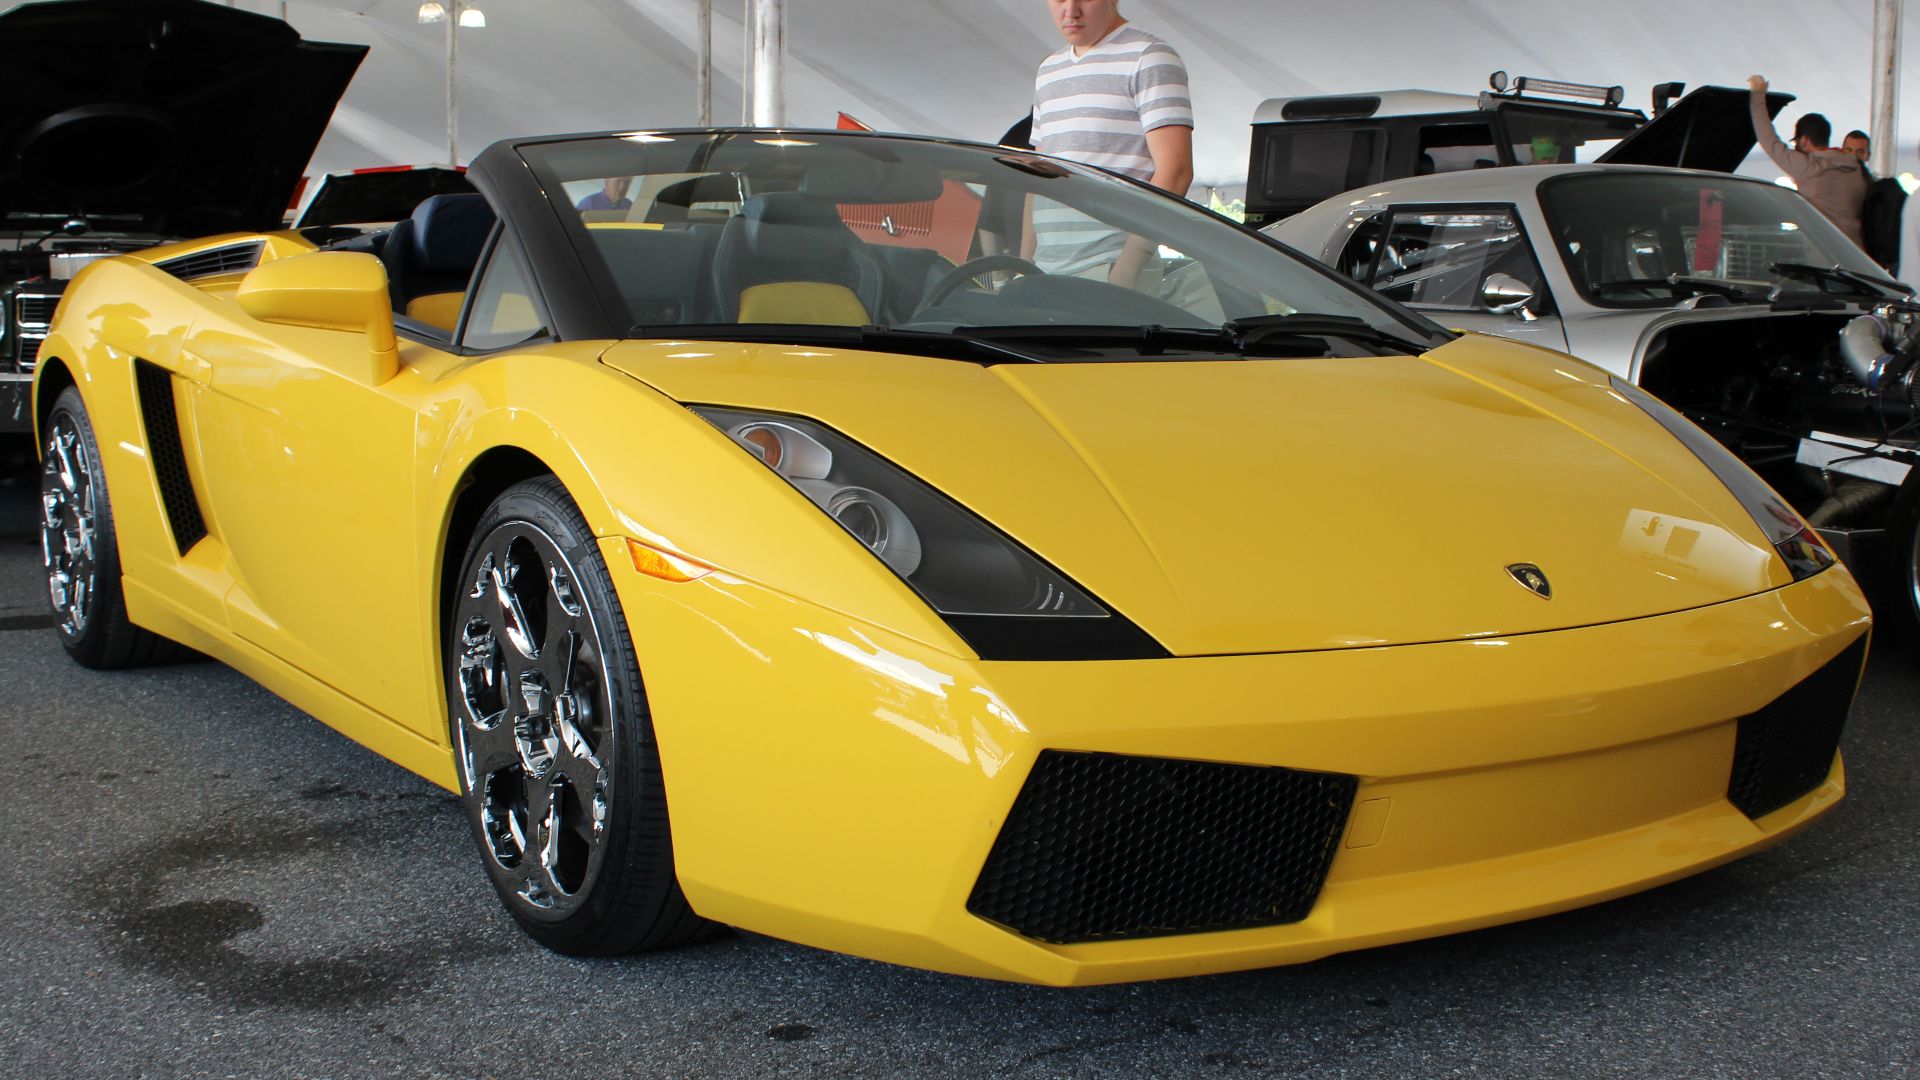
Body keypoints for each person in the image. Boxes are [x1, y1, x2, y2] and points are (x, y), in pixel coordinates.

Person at [1023, 0, 1193, 285]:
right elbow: (1038, 176)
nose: (1071, 10)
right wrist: (1024, 265)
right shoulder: (1049, 69)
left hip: (1113, 267)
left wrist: (1127, 270)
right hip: (1046, 271)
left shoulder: (1149, 56)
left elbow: (1176, 172)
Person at [1749, 76, 1869, 247]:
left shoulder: (1809, 167)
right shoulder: (1856, 168)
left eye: (1796, 142)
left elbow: (1769, 140)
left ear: (1804, 141)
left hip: (1824, 255)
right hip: (1857, 254)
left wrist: (1757, 96)